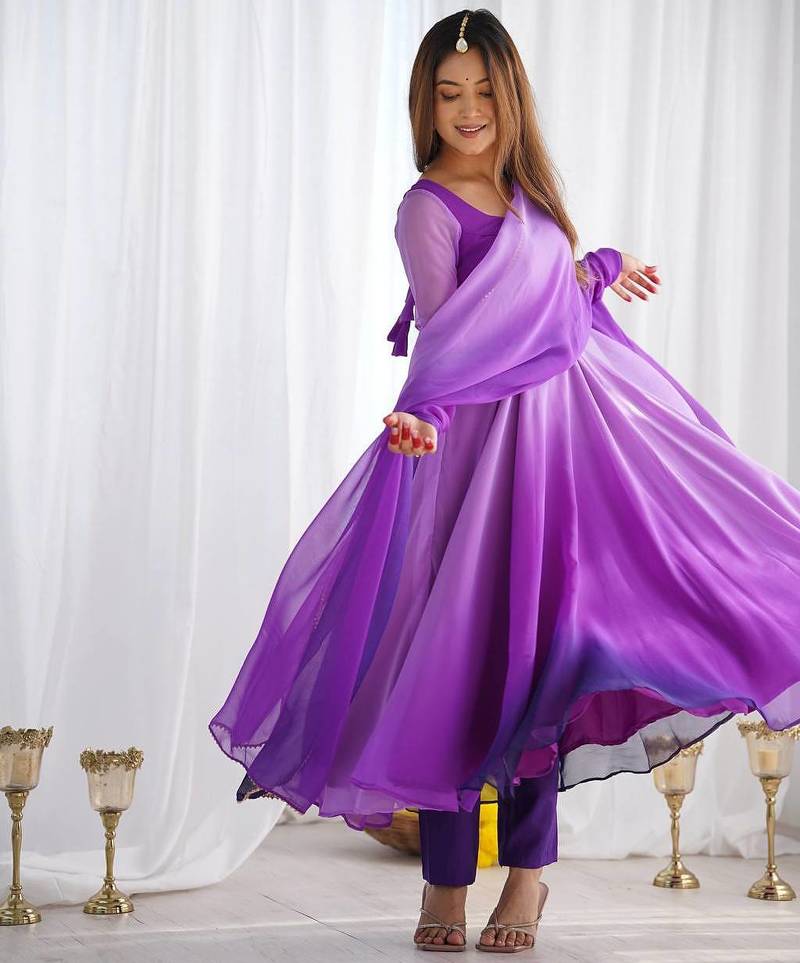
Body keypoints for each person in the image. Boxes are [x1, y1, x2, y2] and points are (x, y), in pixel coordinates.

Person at [209, 8, 800, 955]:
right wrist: (424, 416)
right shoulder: (427, 208)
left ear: (511, 95)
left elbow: (550, 306)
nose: (469, 109)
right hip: (473, 468)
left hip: (563, 452)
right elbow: (450, 338)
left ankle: (527, 880)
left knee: (544, 671)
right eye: (450, 94)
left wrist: (603, 263)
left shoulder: (532, 199)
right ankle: (445, 882)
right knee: (460, 671)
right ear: (427, 105)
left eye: (484, 90)